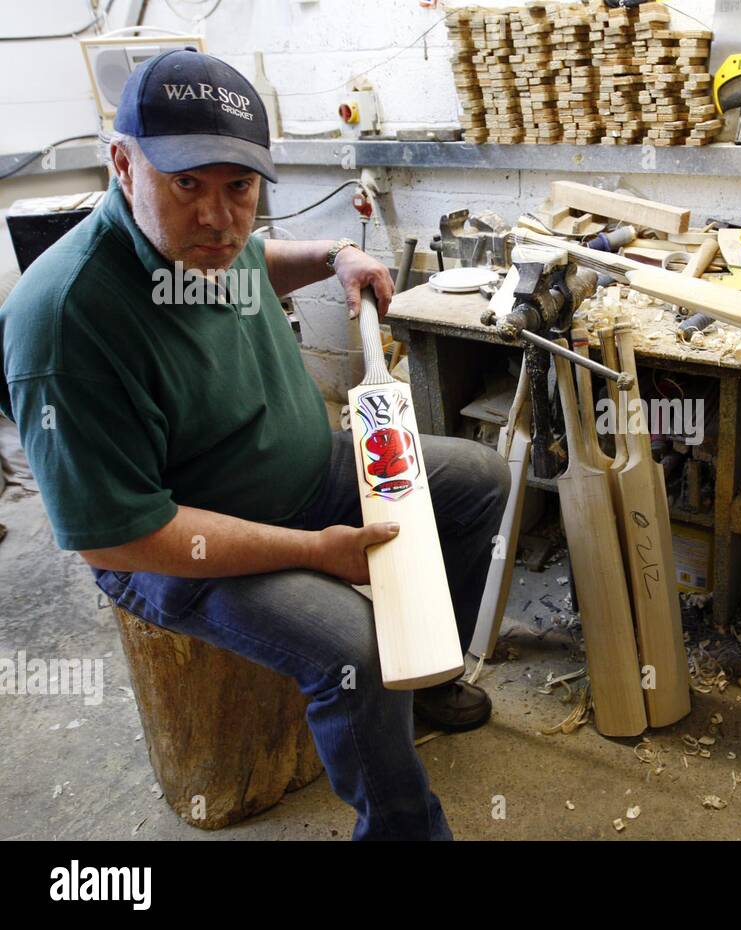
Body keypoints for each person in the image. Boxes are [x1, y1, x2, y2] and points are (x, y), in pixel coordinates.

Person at [0, 49, 509, 840]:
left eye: (238, 188)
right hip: (179, 542)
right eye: (186, 185)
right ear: (122, 163)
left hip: (306, 470)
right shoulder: (65, 322)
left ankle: (429, 682)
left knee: (477, 479)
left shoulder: (206, 242)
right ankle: (405, 829)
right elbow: (127, 537)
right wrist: (311, 551)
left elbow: (252, 261)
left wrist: (335, 256)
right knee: (355, 649)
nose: (217, 219)